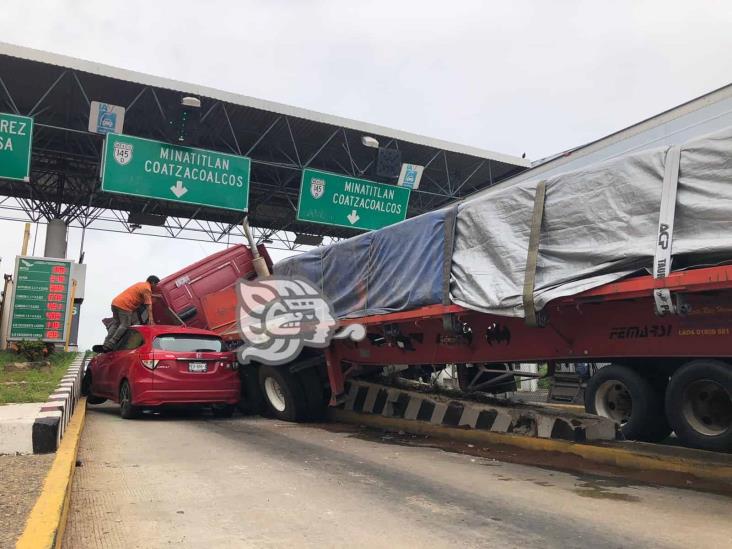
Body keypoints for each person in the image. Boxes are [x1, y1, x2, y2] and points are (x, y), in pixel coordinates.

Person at [103, 275, 160, 351]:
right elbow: (148, 306)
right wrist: (151, 319)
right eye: (156, 284)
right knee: (125, 324)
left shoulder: (140, 284)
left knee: (116, 323)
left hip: (115, 303)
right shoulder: (147, 289)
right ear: (152, 282)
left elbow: (143, 294)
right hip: (125, 306)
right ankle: (111, 344)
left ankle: (106, 343)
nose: (156, 286)